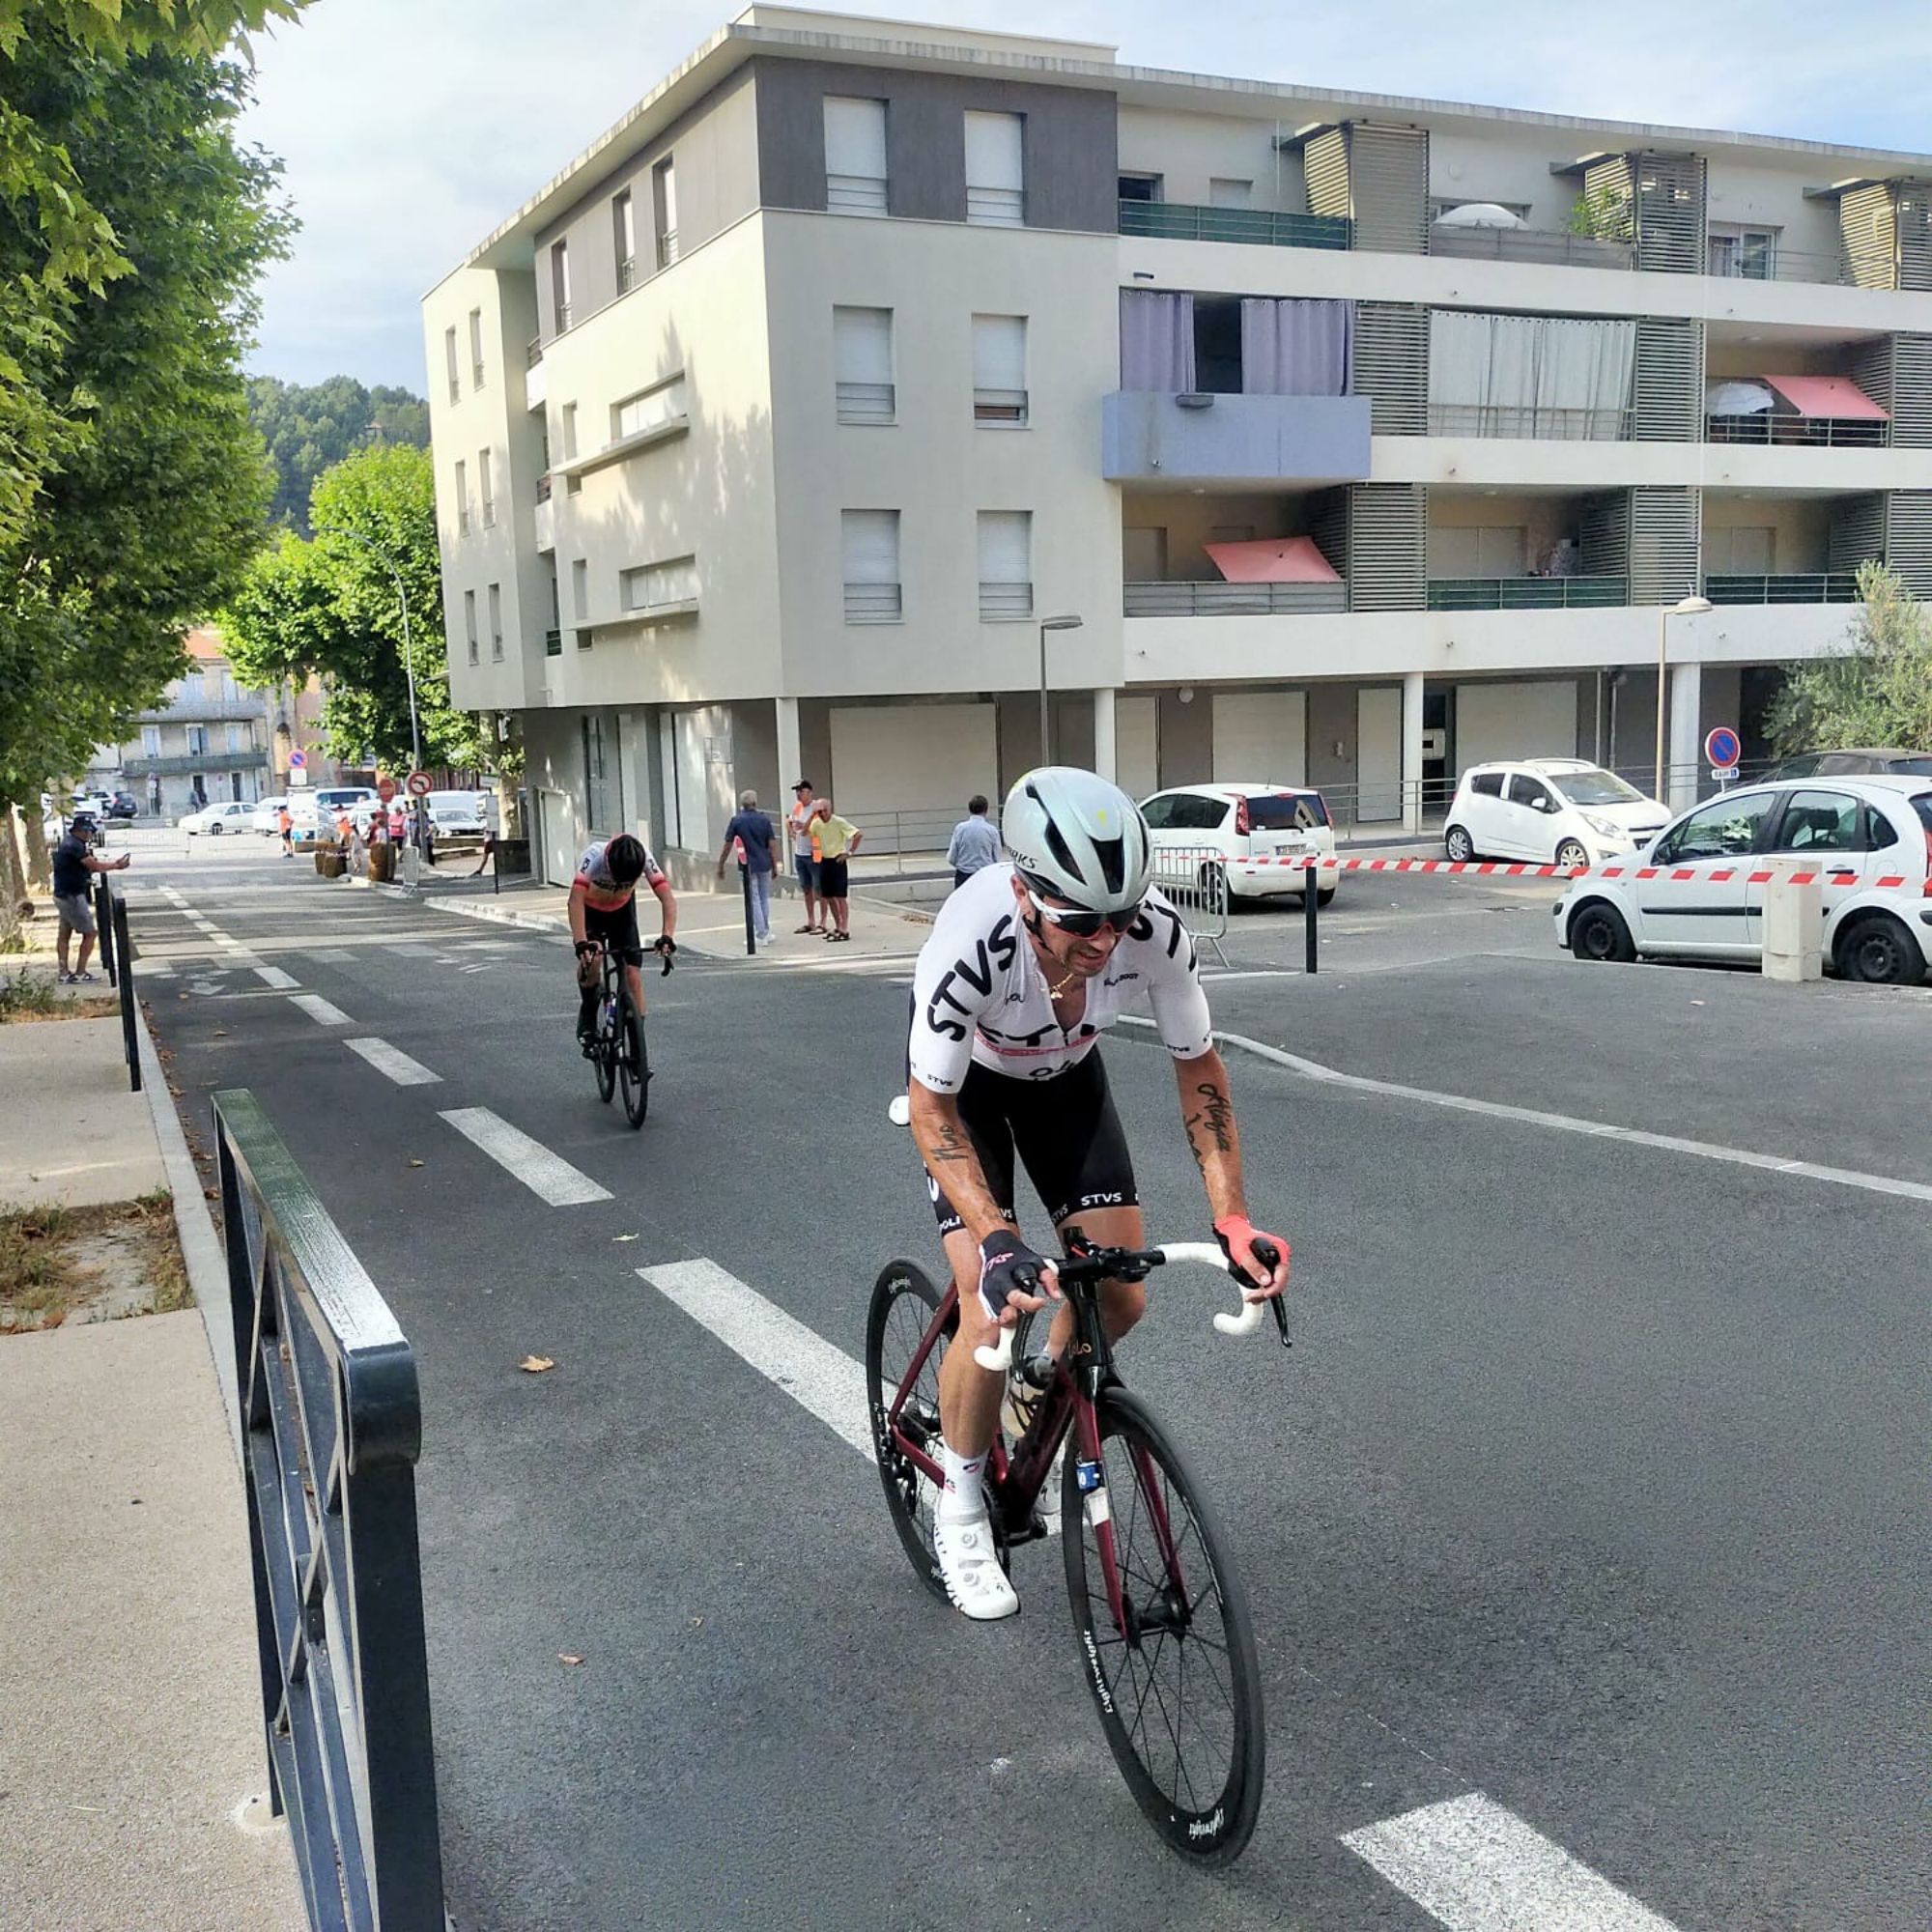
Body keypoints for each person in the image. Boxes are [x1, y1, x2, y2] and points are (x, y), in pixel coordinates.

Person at [904, 767, 1290, 1620]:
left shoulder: (1153, 933)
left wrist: (1231, 1218)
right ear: (1024, 892)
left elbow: (1200, 1071)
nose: (1106, 940)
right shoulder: (971, 943)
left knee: (1119, 1295)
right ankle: (960, 1507)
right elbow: (931, 1110)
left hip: (1067, 1082)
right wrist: (997, 1242)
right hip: (969, 1092)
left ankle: (1037, 1393)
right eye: (1082, 921)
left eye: (1120, 916)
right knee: (989, 1305)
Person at [567, 832, 678, 1050]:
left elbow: (668, 898)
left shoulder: (644, 856)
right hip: (591, 913)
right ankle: (588, 1009)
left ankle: (637, 1047)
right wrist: (581, 942)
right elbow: (575, 900)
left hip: (621, 914)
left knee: (632, 975)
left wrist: (667, 936)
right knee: (594, 957)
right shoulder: (594, 856)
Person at [51, 815, 129, 983]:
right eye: (87, 831)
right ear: (78, 830)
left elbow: (89, 865)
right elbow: (95, 866)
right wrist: (117, 865)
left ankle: (63, 972)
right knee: (90, 933)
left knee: (64, 934)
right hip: (71, 896)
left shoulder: (71, 843)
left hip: (63, 893)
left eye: (91, 831)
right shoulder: (74, 846)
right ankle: (80, 972)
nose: (90, 834)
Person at [715, 788, 780, 945]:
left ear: (742, 805)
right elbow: (772, 845)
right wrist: (775, 864)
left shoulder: (737, 821)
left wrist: (721, 864)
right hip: (764, 863)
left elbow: (728, 845)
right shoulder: (764, 820)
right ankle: (765, 930)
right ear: (755, 803)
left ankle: (760, 934)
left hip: (747, 865)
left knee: (753, 898)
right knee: (763, 898)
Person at [809, 798, 863, 942]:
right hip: (824, 860)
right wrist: (817, 857)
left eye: (824, 811)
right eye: (819, 812)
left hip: (837, 860)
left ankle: (844, 927)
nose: (822, 814)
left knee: (840, 896)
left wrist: (849, 852)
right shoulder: (816, 823)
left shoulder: (838, 822)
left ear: (830, 809)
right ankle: (838, 925)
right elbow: (809, 836)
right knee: (828, 896)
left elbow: (857, 834)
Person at [787, 780, 824, 934]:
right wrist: (791, 831)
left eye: (801, 791)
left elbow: (819, 828)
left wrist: (804, 827)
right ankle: (811, 920)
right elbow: (790, 821)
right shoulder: (797, 807)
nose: (798, 794)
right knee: (806, 888)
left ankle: (823, 921)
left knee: (819, 888)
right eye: (797, 791)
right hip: (800, 853)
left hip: (814, 853)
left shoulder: (817, 808)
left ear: (809, 792)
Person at [946, 794, 1000, 891]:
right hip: (984, 875)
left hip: (963, 876)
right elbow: (996, 858)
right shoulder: (992, 830)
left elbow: (951, 858)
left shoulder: (960, 828)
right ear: (986, 810)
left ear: (969, 809)